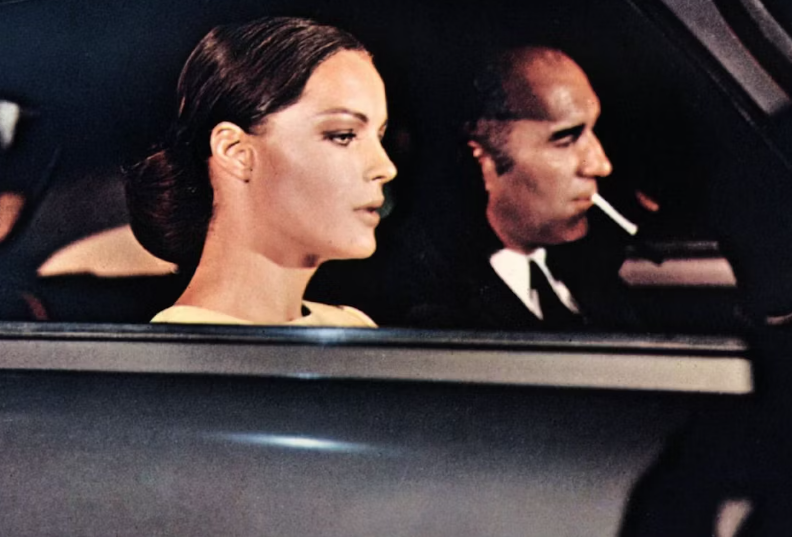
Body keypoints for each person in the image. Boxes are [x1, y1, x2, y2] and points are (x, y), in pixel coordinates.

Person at [124, 17, 397, 326]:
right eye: (343, 135)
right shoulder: (178, 347)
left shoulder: (351, 325)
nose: (385, 168)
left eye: (380, 136)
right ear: (236, 152)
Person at [406, 44, 640, 331]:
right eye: (565, 140)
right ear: (485, 157)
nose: (600, 165)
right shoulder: (428, 300)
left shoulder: (593, 278)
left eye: (592, 131)